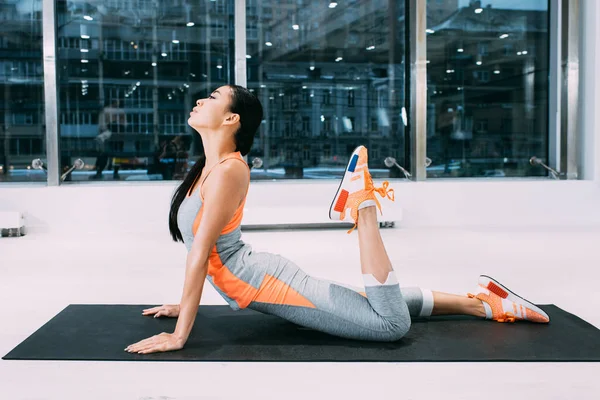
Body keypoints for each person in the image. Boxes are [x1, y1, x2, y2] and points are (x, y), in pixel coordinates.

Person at [124, 85, 549, 355]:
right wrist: (187, 302)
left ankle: (362, 204)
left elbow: (202, 254)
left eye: (212, 98)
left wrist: (181, 334)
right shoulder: (208, 167)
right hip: (261, 275)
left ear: (232, 118)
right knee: (371, 307)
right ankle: (482, 302)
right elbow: (215, 253)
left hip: (267, 283)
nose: (200, 100)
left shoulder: (231, 169)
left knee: (390, 325)